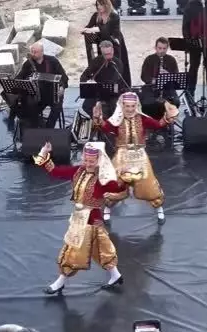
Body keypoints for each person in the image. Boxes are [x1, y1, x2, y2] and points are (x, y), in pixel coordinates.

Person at [33, 141, 124, 294]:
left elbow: (118, 187)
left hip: (90, 220)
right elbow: (55, 171)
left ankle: (60, 281)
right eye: (86, 160)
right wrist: (44, 153)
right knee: (102, 248)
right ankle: (115, 275)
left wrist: (125, 176)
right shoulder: (78, 171)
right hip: (80, 217)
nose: (88, 164)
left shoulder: (103, 177)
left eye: (92, 161)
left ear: (98, 161)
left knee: (72, 250)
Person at [93, 92, 178, 224]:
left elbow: (158, 124)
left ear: (136, 106)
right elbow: (104, 127)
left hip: (140, 155)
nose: (130, 109)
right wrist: (98, 119)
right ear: (122, 106)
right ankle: (107, 212)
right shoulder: (117, 119)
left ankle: (160, 211)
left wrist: (167, 117)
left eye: (133, 106)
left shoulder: (142, 119)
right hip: (122, 155)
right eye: (127, 106)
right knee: (114, 184)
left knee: (149, 185)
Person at [12, 42, 69, 129]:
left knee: (57, 107)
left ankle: (49, 128)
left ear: (42, 52)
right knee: (28, 108)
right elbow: (18, 78)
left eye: (35, 52)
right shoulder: (28, 63)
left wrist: (62, 88)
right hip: (37, 97)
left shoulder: (52, 61)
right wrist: (27, 81)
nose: (33, 54)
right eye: (32, 52)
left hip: (53, 94)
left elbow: (64, 78)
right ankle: (37, 127)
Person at [81, 0, 131, 86]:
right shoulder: (96, 15)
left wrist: (94, 29)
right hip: (103, 45)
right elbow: (89, 27)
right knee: (104, 66)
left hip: (115, 45)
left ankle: (119, 87)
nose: (99, 7)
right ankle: (104, 87)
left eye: (101, 4)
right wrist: (86, 30)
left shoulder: (114, 16)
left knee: (116, 66)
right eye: (98, 4)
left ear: (106, 5)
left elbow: (107, 30)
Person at [182, 0, 207, 101]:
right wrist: (187, 40)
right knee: (193, 67)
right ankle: (191, 90)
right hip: (194, 42)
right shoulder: (190, 5)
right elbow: (185, 25)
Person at [80, 40, 127, 119]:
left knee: (116, 107)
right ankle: (98, 122)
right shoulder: (96, 61)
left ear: (113, 50)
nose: (108, 56)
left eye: (109, 54)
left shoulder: (117, 63)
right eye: (105, 55)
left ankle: (111, 125)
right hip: (97, 89)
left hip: (112, 90)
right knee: (86, 106)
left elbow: (114, 80)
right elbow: (84, 75)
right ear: (102, 53)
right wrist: (87, 82)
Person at [140, 37, 181, 119]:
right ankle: (152, 121)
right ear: (155, 48)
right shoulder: (149, 59)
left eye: (164, 48)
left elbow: (176, 78)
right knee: (146, 103)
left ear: (167, 48)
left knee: (176, 102)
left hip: (167, 88)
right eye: (159, 48)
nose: (162, 51)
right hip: (151, 87)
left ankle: (167, 119)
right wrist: (155, 80)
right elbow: (143, 76)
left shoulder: (171, 60)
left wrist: (168, 76)